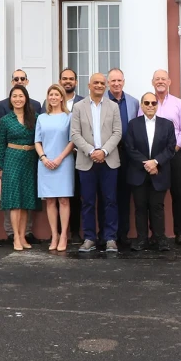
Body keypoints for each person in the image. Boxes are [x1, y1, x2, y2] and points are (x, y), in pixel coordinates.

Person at [71, 73, 124, 254]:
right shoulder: (78, 107)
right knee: (87, 201)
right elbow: (75, 134)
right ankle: (89, 237)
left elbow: (117, 132)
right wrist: (92, 151)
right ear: (89, 85)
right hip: (87, 160)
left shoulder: (113, 106)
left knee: (110, 201)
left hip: (109, 160)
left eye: (102, 83)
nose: (99, 86)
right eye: (96, 83)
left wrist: (104, 151)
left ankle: (110, 238)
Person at [141, 69, 181, 245]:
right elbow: (141, 127)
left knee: (177, 192)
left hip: (173, 154)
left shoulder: (178, 103)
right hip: (152, 157)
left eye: (163, 79)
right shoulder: (147, 102)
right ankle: (155, 233)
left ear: (169, 82)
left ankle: (179, 232)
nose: (160, 81)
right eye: (157, 79)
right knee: (152, 194)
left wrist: (175, 147)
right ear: (152, 82)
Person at [126, 92, 177, 251]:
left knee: (157, 207)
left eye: (153, 103)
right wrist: (146, 164)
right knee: (140, 208)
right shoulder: (133, 124)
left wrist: (155, 162)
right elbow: (129, 147)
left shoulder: (167, 124)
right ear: (141, 105)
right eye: (146, 103)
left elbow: (170, 148)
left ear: (157, 105)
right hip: (138, 172)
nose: (150, 106)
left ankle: (160, 239)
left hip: (159, 172)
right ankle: (142, 240)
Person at [0, 69, 43, 243]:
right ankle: (15, 237)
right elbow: (0, 145)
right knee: (15, 201)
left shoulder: (35, 117)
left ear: (26, 98)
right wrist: (1, 166)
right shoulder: (6, 120)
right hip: (12, 159)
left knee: (27, 201)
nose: (18, 99)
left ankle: (23, 236)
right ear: (10, 99)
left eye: (21, 96)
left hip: (30, 159)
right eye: (14, 96)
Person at [36, 84, 76, 252]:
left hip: (64, 162)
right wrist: (43, 157)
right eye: (50, 94)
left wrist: (60, 158)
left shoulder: (69, 117)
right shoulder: (41, 118)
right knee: (50, 200)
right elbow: (37, 141)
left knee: (64, 200)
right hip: (45, 162)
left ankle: (64, 234)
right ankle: (54, 234)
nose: (53, 97)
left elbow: (72, 140)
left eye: (56, 94)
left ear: (62, 97)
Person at [107, 68, 138, 247]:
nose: (117, 84)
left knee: (125, 196)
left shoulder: (133, 102)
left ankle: (123, 233)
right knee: (108, 195)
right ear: (108, 83)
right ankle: (108, 233)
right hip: (108, 153)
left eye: (119, 81)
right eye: (113, 81)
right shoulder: (103, 101)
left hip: (128, 155)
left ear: (123, 82)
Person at [59, 68, 85, 245]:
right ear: (60, 81)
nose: (68, 81)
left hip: (78, 155)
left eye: (71, 79)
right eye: (64, 79)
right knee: (60, 194)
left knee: (76, 195)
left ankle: (75, 232)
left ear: (76, 82)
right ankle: (60, 232)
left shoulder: (83, 102)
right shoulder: (52, 100)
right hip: (58, 156)